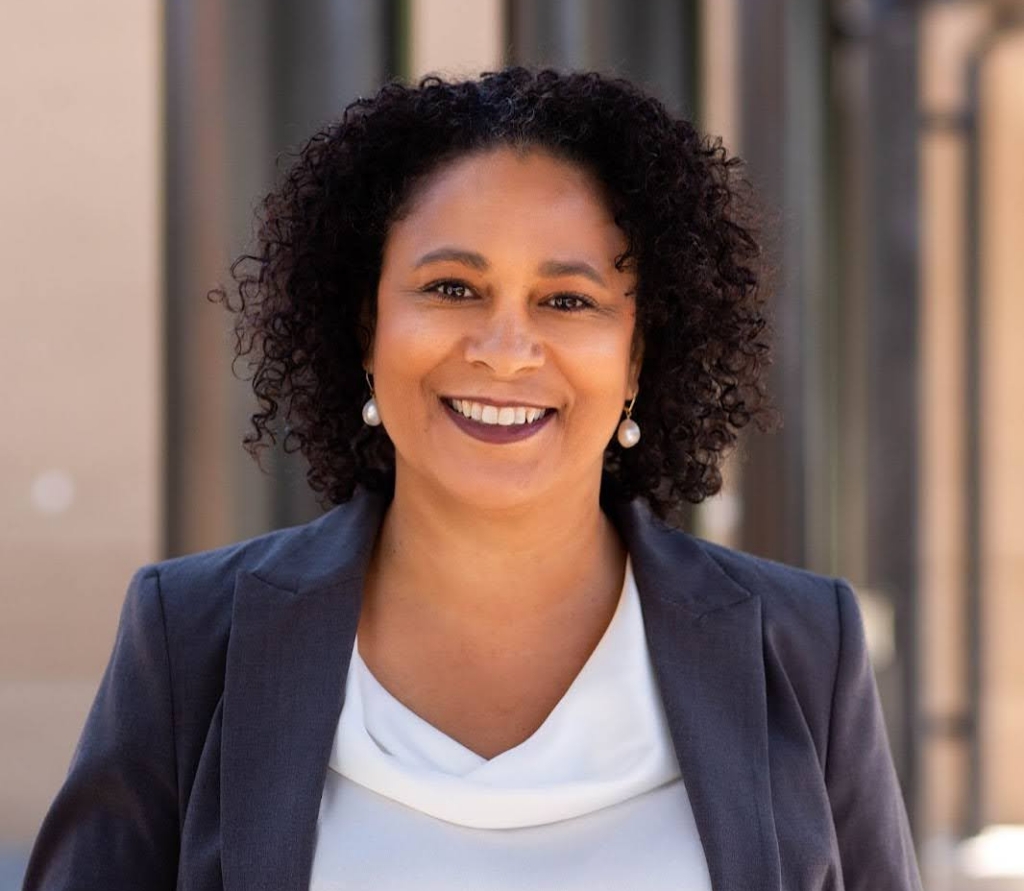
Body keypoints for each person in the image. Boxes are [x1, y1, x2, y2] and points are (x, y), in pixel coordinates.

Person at [24, 68, 923, 891]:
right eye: (452, 287)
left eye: (567, 300)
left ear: (639, 355)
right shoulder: (192, 637)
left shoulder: (802, 645)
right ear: (366, 326)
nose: (505, 350)